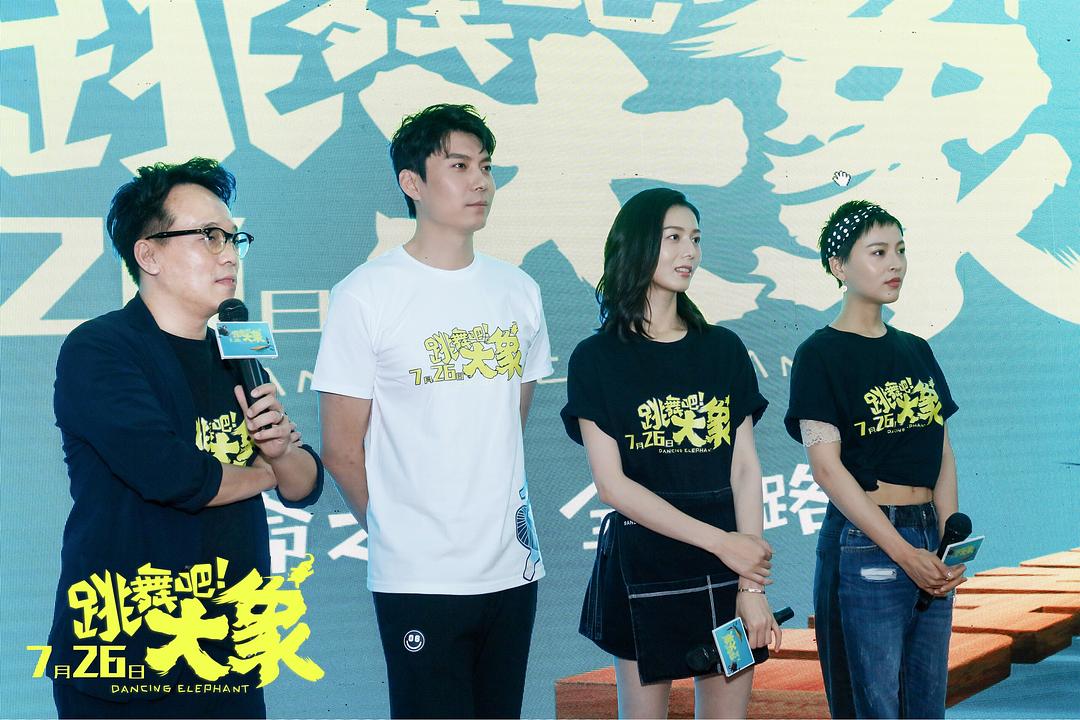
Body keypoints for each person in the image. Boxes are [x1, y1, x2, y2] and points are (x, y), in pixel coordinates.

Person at [48, 158, 323, 719]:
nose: (230, 254)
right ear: (148, 254)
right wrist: (270, 471)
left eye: (234, 238)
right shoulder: (100, 348)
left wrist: (279, 454)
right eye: (209, 236)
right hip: (125, 654)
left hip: (230, 649)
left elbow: (305, 484)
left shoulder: (237, 350)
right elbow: (174, 476)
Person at [313, 104, 552, 719]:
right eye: (460, 166)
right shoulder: (366, 294)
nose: (481, 182)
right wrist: (399, 532)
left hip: (512, 567)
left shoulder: (519, 291)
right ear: (412, 183)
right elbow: (340, 450)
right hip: (418, 577)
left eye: (486, 167)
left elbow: (510, 421)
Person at [560, 188, 779, 719]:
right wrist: (725, 544)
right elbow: (612, 486)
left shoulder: (722, 349)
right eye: (674, 238)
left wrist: (750, 583)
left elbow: (745, 468)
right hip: (646, 562)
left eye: (695, 239)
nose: (690, 253)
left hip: (727, 569)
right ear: (637, 245)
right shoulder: (596, 358)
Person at [785, 200, 967, 718]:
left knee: (926, 704)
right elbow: (827, 469)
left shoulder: (917, 349)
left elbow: (942, 450)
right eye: (879, 252)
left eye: (901, 250)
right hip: (865, 541)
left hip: (928, 538)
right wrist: (904, 554)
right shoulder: (819, 354)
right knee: (873, 707)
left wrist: (947, 539)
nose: (896, 264)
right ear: (839, 266)